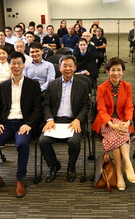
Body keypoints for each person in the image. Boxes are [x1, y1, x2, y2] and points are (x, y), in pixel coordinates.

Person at [0, 52, 43, 199]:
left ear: (24, 65)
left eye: (19, 63)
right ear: (9, 65)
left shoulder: (33, 85)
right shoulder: (3, 86)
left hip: (24, 124)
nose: (16, 66)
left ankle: (20, 178)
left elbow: (38, 109)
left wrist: (29, 124)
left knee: (22, 144)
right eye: (13, 63)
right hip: (6, 124)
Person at [39, 55, 90, 183]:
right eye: (65, 66)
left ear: (75, 68)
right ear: (60, 68)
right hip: (55, 121)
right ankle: (54, 165)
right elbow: (46, 105)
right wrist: (49, 119)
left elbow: (86, 105)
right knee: (43, 141)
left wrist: (78, 119)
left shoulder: (82, 85)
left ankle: (71, 168)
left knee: (74, 142)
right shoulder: (52, 84)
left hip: (73, 121)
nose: (68, 69)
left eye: (70, 66)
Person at [92, 57, 135, 191]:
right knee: (121, 136)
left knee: (119, 138)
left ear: (123, 71)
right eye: (113, 70)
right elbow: (101, 109)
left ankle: (119, 173)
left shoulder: (127, 86)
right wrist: (111, 125)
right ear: (107, 71)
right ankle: (127, 164)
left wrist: (128, 121)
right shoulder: (101, 88)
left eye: (119, 70)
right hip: (106, 122)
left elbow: (129, 107)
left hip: (123, 121)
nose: (116, 73)